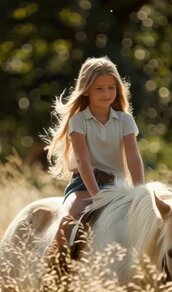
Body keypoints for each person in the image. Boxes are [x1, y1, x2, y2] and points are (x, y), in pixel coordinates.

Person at [45, 56, 145, 262]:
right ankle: (52, 264)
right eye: (99, 88)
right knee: (68, 220)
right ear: (87, 90)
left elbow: (133, 158)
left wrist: (139, 192)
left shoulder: (125, 120)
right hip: (84, 185)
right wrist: (96, 195)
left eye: (111, 88)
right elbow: (83, 162)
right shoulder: (78, 121)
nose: (106, 93)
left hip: (117, 185)